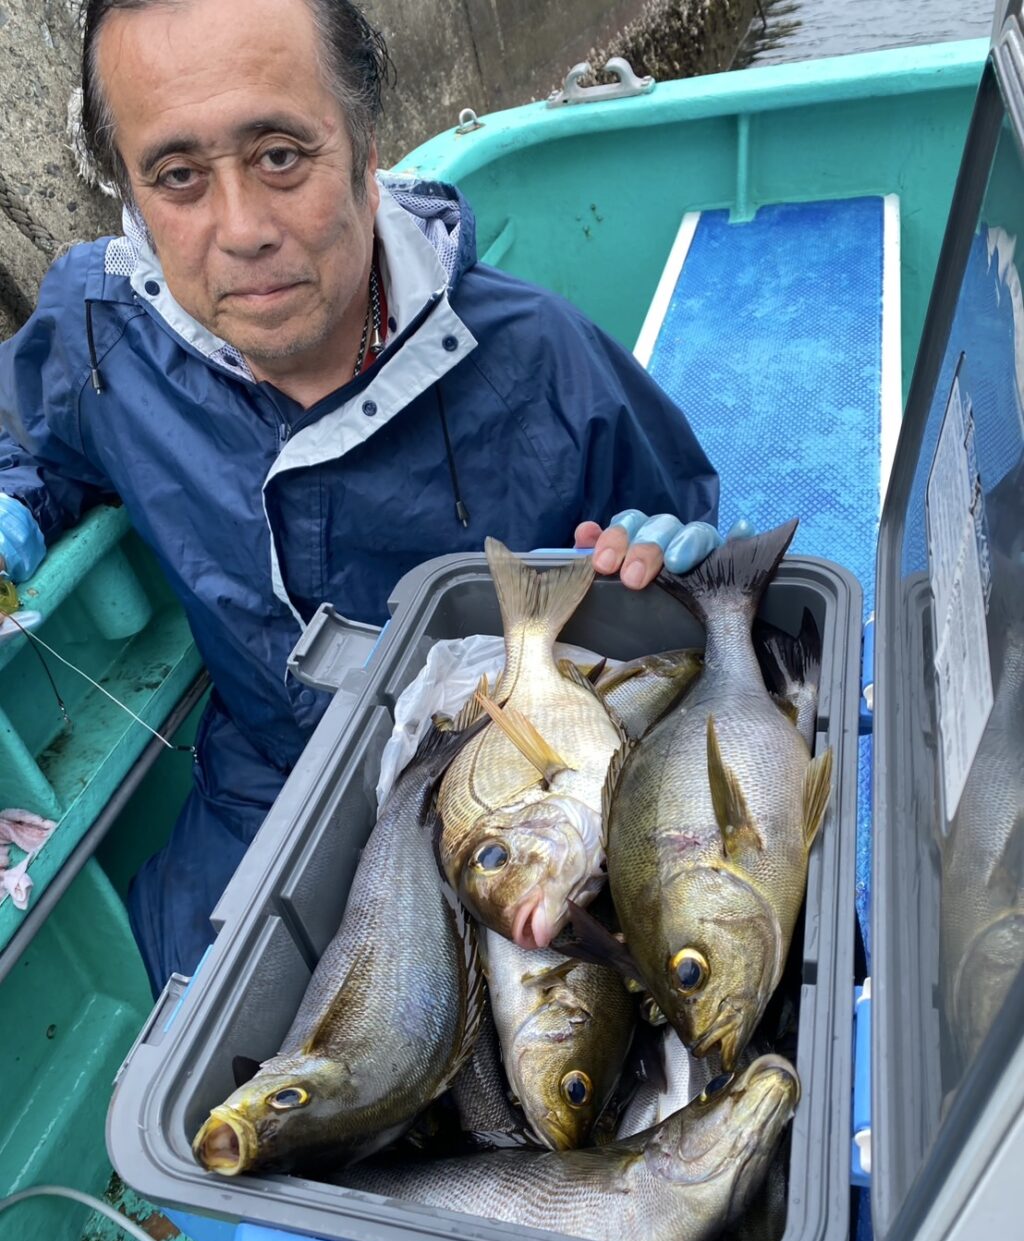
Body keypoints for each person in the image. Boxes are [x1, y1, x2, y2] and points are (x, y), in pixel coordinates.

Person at [0, 0, 744, 994]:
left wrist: (655, 556)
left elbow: (678, 553)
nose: (241, 231)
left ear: (364, 146)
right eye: (177, 177)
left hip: (513, 789)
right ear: (130, 191)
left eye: (279, 157)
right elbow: (33, 441)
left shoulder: (546, 362)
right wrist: (15, 506)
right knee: (175, 1052)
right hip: (256, 801)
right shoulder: (99, 329)